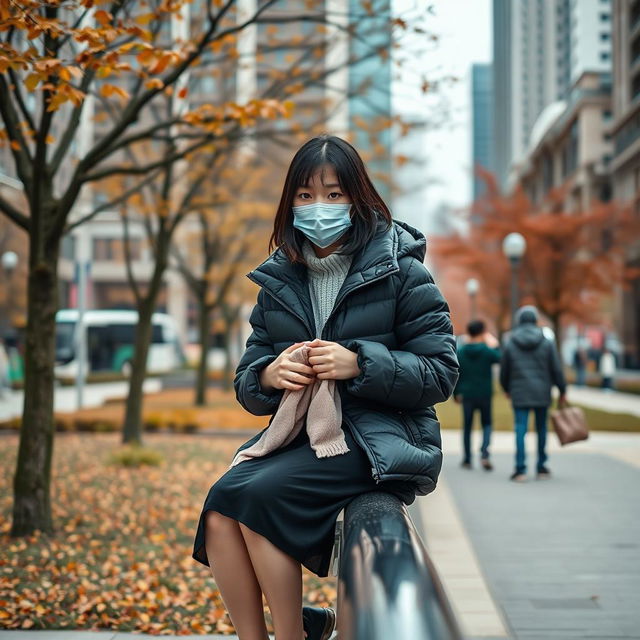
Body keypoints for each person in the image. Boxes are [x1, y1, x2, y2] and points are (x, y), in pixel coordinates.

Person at [190, 135, 459, 640]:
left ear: (359, 199)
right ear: (289, 201)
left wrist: (359, 363)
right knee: (222, 503)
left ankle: (295, 635)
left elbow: (441, 373)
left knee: (257, 496)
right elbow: (248, 382)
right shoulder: (278, 282)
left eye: (334, 195)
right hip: (307, 437)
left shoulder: (404, 271)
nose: (319, 208)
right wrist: (271, 375)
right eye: (306, 195)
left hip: (381, 437)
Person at [499, 305, 567, 483]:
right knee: (542, 429)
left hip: (520, 392)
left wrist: (506, 389)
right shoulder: (547, 341)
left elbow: (504, 369)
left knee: (520, 430)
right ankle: (542, 466)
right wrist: (562, 389)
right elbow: (556, 368)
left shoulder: (511, 341)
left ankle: (520, 469)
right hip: (542, 391)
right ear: (536, 320)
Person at [453, 319, 500, 471]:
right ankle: (484, 454)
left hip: (467, 394)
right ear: (482, 333)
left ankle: (467, 458)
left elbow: (456, 374)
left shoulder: (460, 351)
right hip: (485, 393)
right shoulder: (487, 351)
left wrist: (456, 393)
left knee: (467, 427)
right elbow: (500, 358)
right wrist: (495, 344)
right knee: (487, 424)